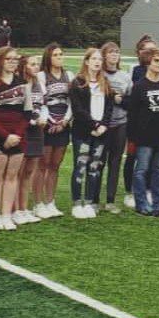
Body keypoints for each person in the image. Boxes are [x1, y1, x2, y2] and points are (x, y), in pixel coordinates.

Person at [0, 47, 29, 231]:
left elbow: (27, 113)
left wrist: (16, 134)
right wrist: (5, 135)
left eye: (15, 59)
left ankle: (7, 214)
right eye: (9, 59)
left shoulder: (23, 83)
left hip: (18, 137)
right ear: (0, 61)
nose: (13, 62)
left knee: (11, 177)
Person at [128, 48, 159, 217]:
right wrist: (132, 139)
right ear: (148, 63)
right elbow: (132, 114)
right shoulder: (139, 86)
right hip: (144, 137)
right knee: (141, 170)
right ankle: (141, 204)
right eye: (156, 60)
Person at [68, 48, 113, 219]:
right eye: (93, 58)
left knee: (94, 168)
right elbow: (78, 110)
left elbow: (109, 108)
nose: (97, 62)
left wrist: (103, 125)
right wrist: (93, 125)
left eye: (100, 59)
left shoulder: (105, 82)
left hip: (101, 133)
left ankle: (88, 202)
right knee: (81, 166)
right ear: (86, 61)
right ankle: (76, 203)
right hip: (83, 132)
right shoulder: (77, 83)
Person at [34, 44, 73, 219]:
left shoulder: (68, 75)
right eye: (55, 54)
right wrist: (51, 120)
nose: (59, 57)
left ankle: (50, 201)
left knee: (55, 166)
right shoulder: (41, 76)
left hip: (63, 124)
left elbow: (72, 101)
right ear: (48, 57)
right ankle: (38, 203)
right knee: (42, 165)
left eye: (61, 54)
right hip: (47, 125)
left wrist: (65, 121)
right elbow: (41, 101)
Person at [122, 35, 158, 208]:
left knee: (151, 159)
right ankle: (130, 192)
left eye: (154, 50)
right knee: (132, 157)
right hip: (136, 122)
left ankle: (148, 190)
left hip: (154, 122)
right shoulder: (134, 70)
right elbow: (129, 98)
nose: (151, 54)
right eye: (147, 50)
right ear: (140, 52)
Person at [12, 55, 46, 225]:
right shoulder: (18, 83)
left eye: (37, 64)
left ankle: (24, 209)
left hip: (37, 132)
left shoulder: (38, 83)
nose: (36, 67)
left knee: (28, 173)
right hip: (23, 131)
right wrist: (32, 120)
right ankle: (15, 209)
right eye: (32, 64)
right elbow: (18, 109)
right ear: (24, 66)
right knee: (18, 173)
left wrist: (42, 117)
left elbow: (41, 104)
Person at [99, 42, 133, 214]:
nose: (114, 55)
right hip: (102, 125)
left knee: (115, 162)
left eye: (117, 52)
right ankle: (94, 199)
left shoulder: (125, 76)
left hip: (120, 124)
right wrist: (111, 98)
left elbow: (132, 102)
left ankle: (110, 200)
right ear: (104, 55)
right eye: (110, 52)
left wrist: (122, 101)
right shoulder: (99, 74)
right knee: (99, 161)